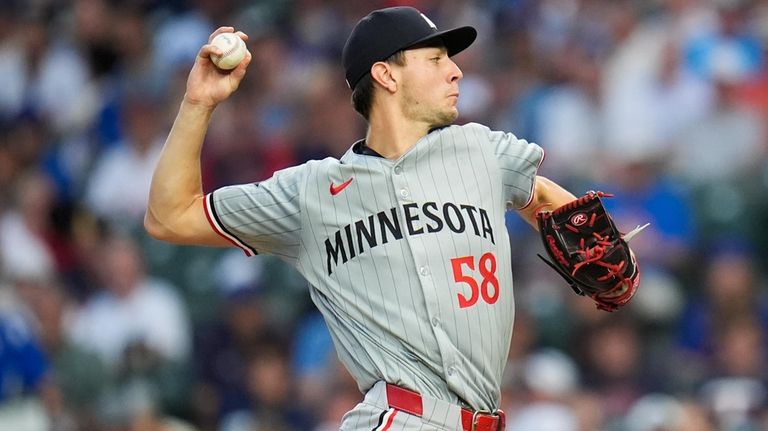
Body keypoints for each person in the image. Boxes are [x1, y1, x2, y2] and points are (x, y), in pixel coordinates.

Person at [145, 6, 580, 431]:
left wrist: (594, 235)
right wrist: (198, 102)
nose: (455, 71)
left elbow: (544, 196)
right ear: (386, 75)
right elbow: (170, 216)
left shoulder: (482, 151)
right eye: (435, 59)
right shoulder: (312, 193)